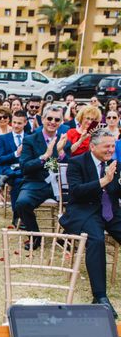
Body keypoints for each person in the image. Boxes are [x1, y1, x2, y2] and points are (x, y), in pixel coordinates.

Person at [59, 128, 120, 319]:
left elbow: (116, 191)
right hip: (85, 210)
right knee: (96, 240)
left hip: (110, 212)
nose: (111, 150)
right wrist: (105, 180)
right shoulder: (77, 162)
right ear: (93, 147)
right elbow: (76, 191)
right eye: (107, 146)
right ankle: (100, 296)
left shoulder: (115, 163)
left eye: (113, 146)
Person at [16, 105, 71, 249]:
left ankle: (65, 236)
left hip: (59, 184)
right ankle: (35, 236)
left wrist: (59, 153)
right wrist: (45, 156)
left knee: (82, 202)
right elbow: (25, 167)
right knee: (22, 203)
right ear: (42, 119)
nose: (53, 122)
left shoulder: (64, 140)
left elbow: (69, 165)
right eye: (49, 118)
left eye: (57, 119)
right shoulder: (30, 139)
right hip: (36, 181)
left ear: (61, 122)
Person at [0, 110, 27, 225]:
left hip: (24, 170)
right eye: (14, 122)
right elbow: (0, 159)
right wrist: (15, 154)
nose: (15, 125)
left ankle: (21, 213)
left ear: (25, 123)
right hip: (9, 170)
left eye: (19, 123)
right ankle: (17, 214)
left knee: (22, 179)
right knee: (18, 181)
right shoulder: (4, 138)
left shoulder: (30, 137)